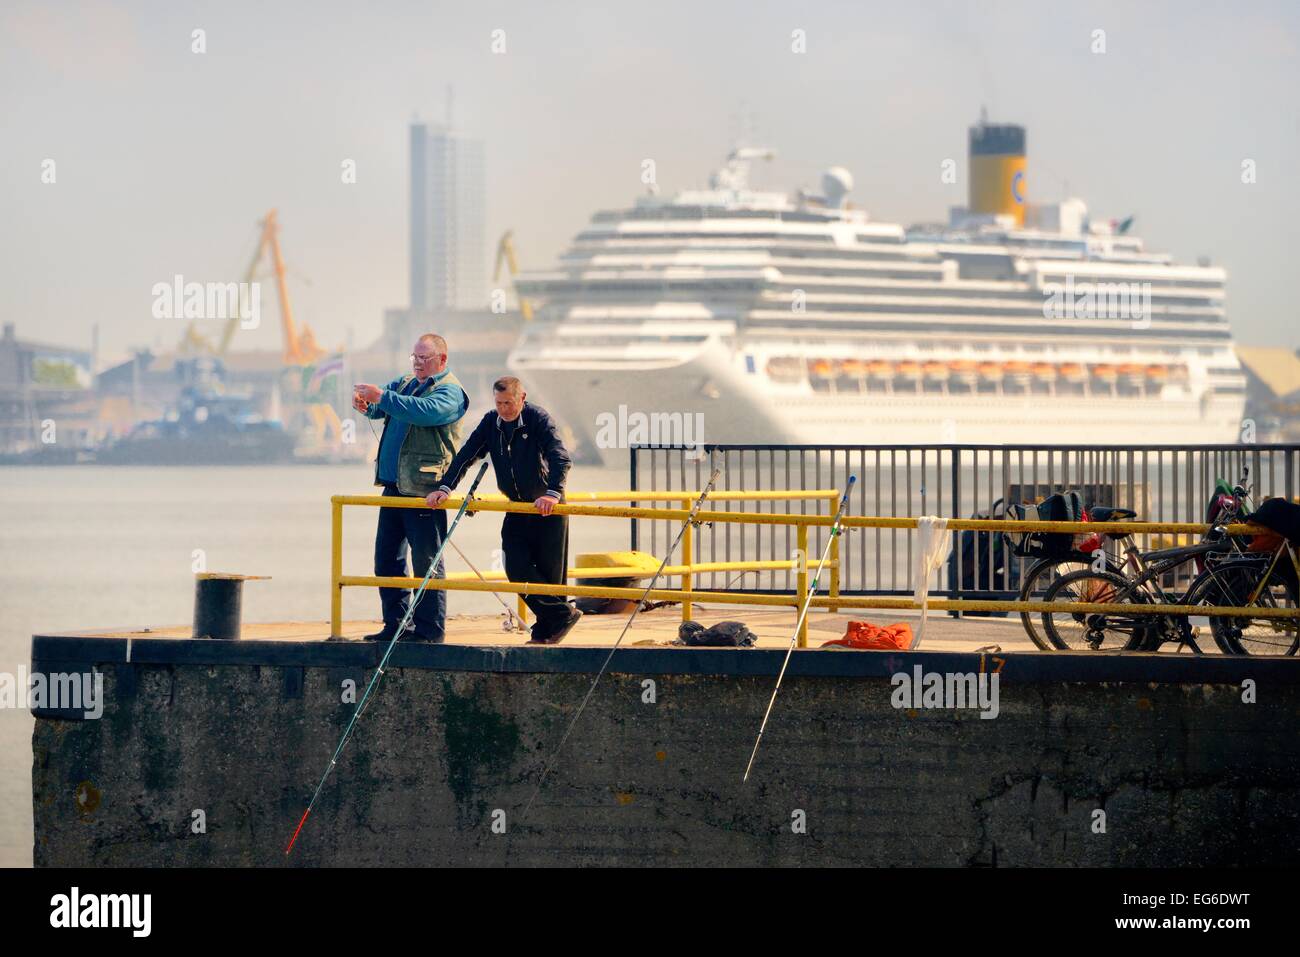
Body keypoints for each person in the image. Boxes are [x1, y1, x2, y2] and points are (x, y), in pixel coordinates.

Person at [427, 376, 581, 645]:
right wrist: (445, 487)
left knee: (549, 574)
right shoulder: (491, 423)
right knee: (515, 567)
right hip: (517, 507)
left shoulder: (537, 419)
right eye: (499, 403)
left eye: (509, 402)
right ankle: (563, 614)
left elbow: (560, 456)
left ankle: (547, 628)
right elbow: (466, 455)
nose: (504, 409)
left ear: (521, 398)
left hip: (547, 507)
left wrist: (552, 493)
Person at [353, 334, 468, 643]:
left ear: (442, 360)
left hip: (423, 491)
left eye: (424, 358)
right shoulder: (404, 382)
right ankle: (397, 624)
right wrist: (366, 404)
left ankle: (430, 630)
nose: (417, 363)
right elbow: (382, 407)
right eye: (414, 357)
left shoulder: (451, 392)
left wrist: (381, 397)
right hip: (394, 488)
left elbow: (423, 411)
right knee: (386, 560)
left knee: (426, 561)